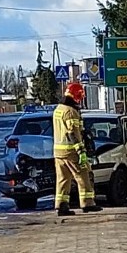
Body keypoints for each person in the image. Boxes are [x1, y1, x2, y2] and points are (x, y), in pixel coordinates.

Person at [53, 82, 102, 216]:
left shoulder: (58, 109)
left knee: (63, 179)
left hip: (58, 152)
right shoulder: (70, 112)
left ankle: (61, 205)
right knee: (83, 175)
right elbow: (72, 133)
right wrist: (81, 151)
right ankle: (87, 203)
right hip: (71, 151)